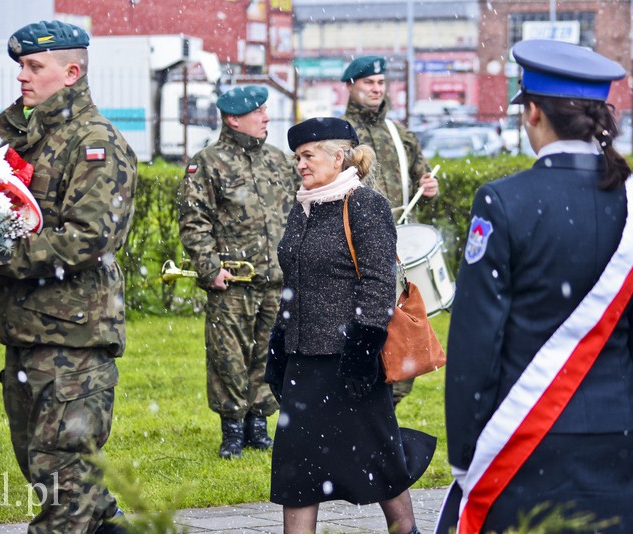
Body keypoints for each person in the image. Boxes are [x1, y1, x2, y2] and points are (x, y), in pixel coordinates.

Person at [0, 20, 137, 534]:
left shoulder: (96, 142)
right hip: (26, 333)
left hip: (73, 338)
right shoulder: (28, 140)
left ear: (71, 72)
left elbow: (90, 238)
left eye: (35, 66)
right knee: (53, 475)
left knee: (63, 486)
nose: (22, 77)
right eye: (20, 66)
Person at [436, 40, 633, 533]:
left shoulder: (502, 201)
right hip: (613, 435)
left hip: (520, 441)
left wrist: (465, 455)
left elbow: (476, 341)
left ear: (533, 111)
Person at [265, 117, 436, 534]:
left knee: (377, 459)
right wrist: (279, 341)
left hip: (351, 360)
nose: (300, 165)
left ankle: (407, 531)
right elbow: (295, 280)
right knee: (298, 469)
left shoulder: (364, 203)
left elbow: (378, 282)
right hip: (304, 359)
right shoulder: (303, 205)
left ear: (338, 156)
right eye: (297, 157)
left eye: (308, 156)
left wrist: (362, 352)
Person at [177, 85, 297, 459]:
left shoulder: (279, 161)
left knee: (269, 354)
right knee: (228, 358)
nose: (266, 117)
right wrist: (208, 267)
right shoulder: (208, 163)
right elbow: (194, 219)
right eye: (258, 112)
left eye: (265, 110)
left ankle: (258, 425)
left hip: (276, 281)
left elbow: (300, 213)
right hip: (232, 282)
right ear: (233, 119)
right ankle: (232, 428)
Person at [340, 55, 440, 406]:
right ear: (351, 86)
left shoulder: (401, 134)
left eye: (380, 83)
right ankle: (360, 401)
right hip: (352, 247)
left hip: (398, 246)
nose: (376, 89)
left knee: (400, 328)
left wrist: (429, 187)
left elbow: (423, 179)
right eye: (369, 83)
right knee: (361, 325)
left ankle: (389, 405)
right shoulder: (337, 133)